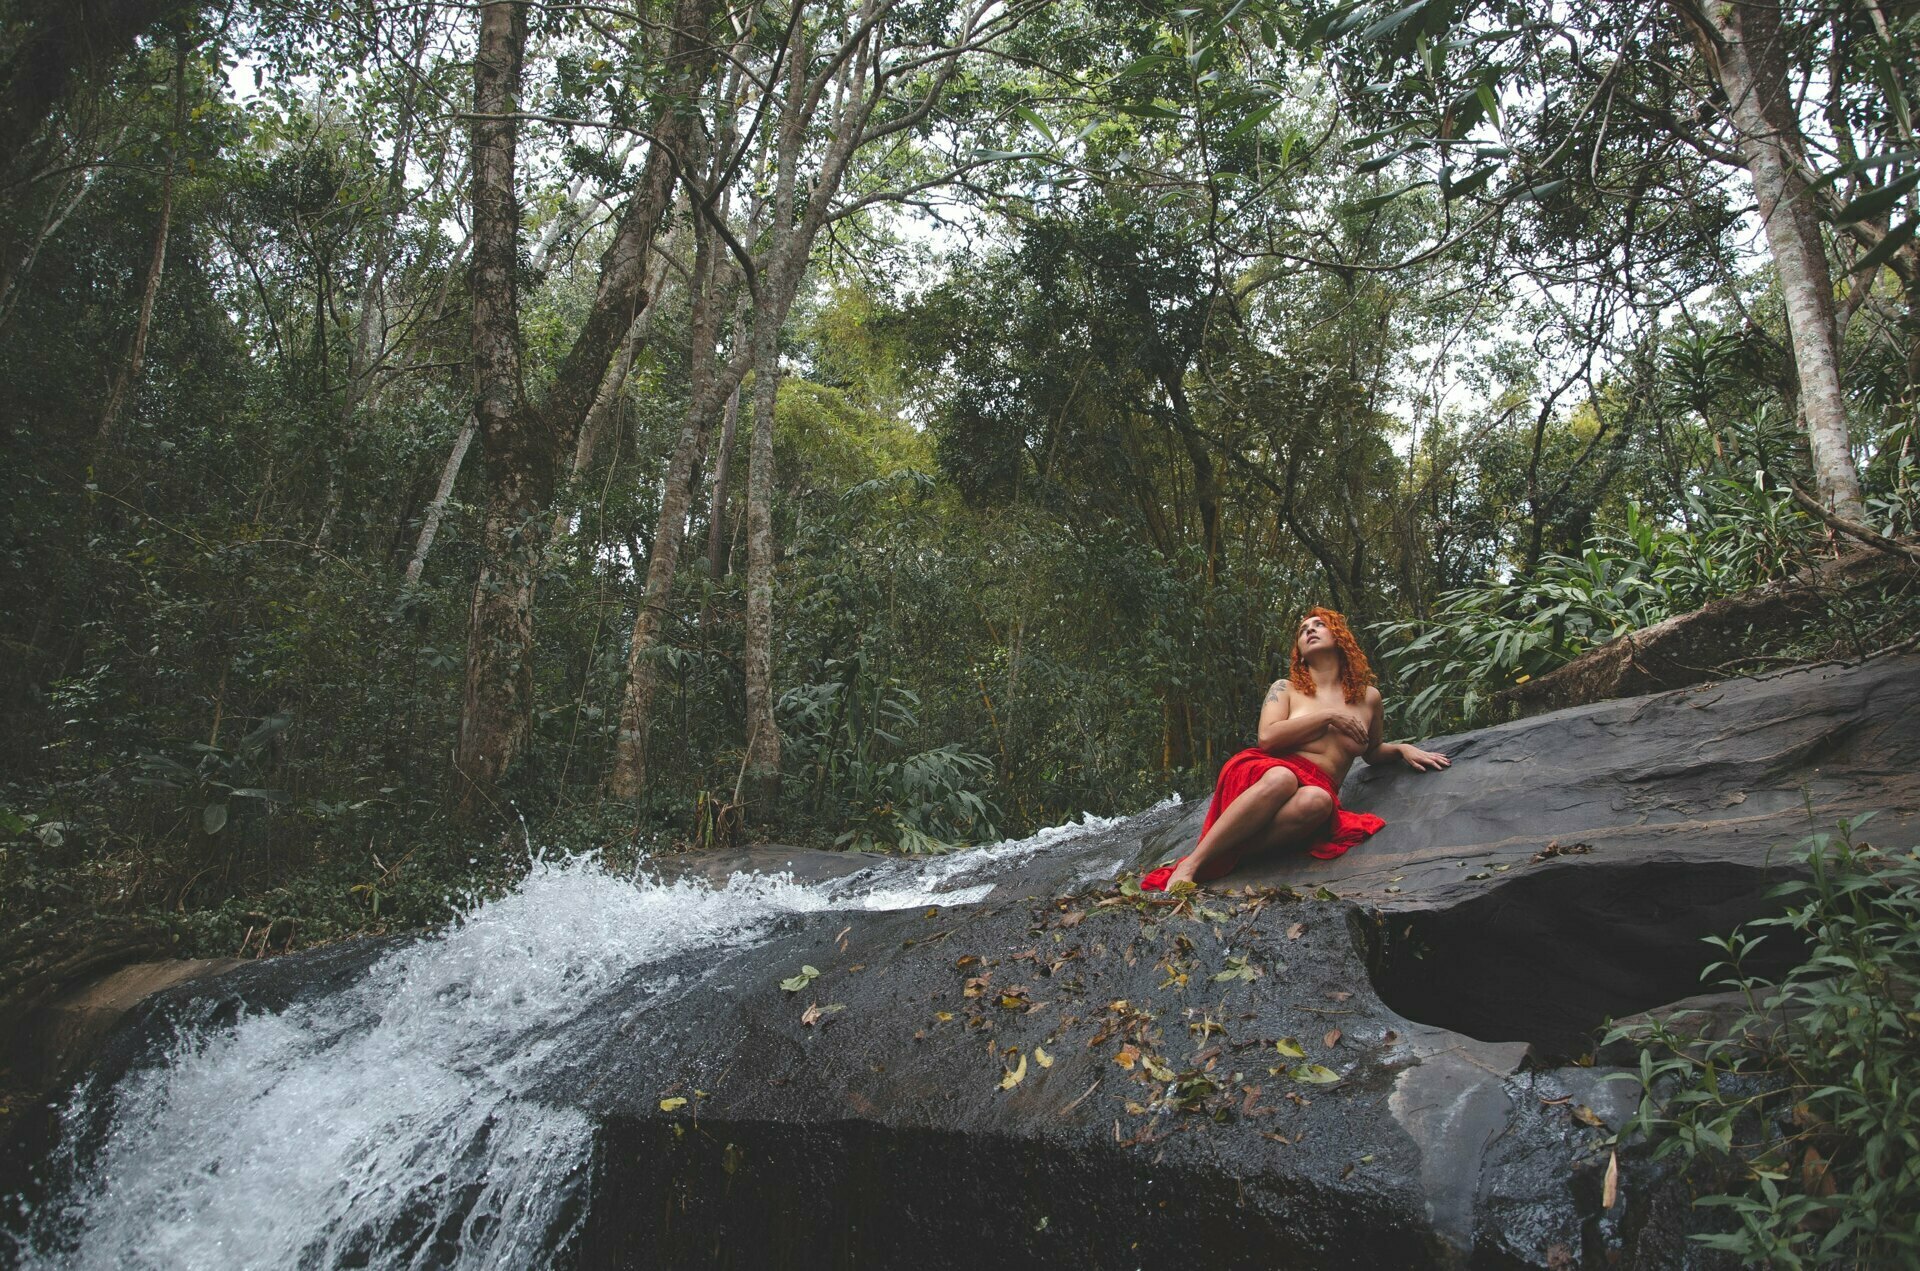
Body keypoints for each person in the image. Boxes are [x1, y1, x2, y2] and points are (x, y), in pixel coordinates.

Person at [1142, 607, 1449, 892]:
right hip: (1267, 773)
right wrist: (1329, 716)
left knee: (1318, 803)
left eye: (1319, 625)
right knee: (1283, 779)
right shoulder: (1285, 688)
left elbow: (1371, 752)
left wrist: (1402, 749)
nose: (1309, 631)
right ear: (1300, 652)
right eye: (1303, 630)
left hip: (1319, 787)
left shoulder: (1369, 697)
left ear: (1340, 639)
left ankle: (1226, 855)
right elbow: (1268, 738)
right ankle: (1192, 864)